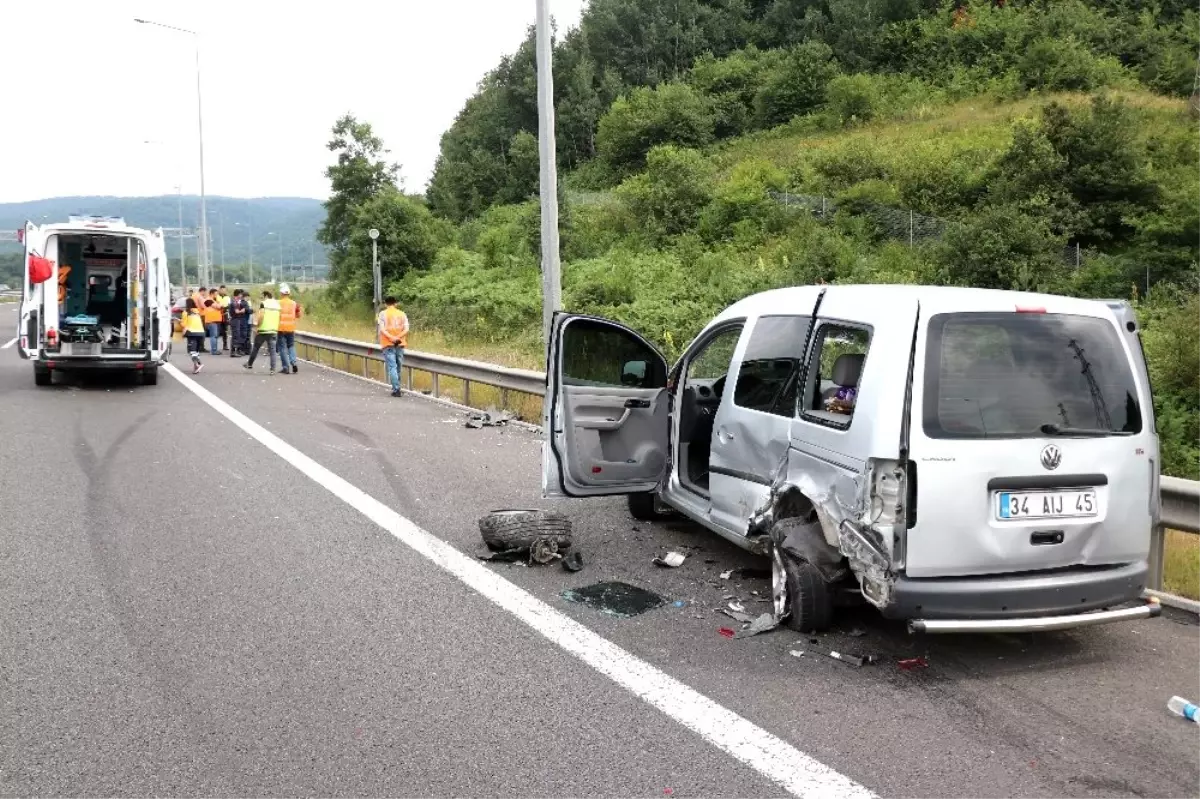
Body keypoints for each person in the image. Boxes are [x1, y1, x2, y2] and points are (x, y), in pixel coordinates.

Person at [377, 296, 409, 397]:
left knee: (392, 367)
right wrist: (397, 337)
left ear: (385, 304)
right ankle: (397, 387)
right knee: (398, 366)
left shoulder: (383, 314)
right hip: (400, 343)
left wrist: (391, 338)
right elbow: (406, 329)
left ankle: (396, 389)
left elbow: (382, 329)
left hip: (388, 343)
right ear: (395, 303)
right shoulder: (402, 314)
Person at [243, 289, 281, 374]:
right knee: (272, 351)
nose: (262, 298)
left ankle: (249, 364)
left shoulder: (264, 304)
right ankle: (272, 369)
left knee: (256, 348)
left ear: (266, 296)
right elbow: (279, 317)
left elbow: (261, 316)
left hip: (263, 330)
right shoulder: (277, 305)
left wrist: (257, 327)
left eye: (263, 297)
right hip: (273, 330)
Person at [276, 283, 303, 374]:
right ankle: (293, 362)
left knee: (282, 348)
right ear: (289, 294)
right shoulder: (294, 304)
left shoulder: (278, 303)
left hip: (281, 328)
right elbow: (299, 315)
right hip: (291, 328)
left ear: (281, 293)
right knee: (291, 346)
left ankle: (286, 367)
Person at [182, 298, 206, 374]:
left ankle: (199, 364)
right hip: (201, 333)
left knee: (192, 351)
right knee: (196, 351)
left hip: (192, 333)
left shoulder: (186, 312)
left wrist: (183, 333)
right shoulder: (197, 311)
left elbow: (184, 324)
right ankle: (196, 368)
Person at [229, 289, 251, 357]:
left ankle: (236, 351)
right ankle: (233, 352)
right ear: (238, 295)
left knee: (237, 335)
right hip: (235, 319)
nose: (241, 296)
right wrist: (242, 310)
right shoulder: (234, 302)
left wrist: (242, 310)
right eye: (241, 294)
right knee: (235, 336)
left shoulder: (235, 302)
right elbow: (237, 312)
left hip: (236, 320)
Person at [202, 291, 223, 355]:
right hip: (211, 321)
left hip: (214, 321)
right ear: (211, 293)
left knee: (215, 336)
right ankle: (214, 350)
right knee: (213, 336)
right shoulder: (208, 300)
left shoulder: (214, 301)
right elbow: (219, 307)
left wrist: (219, 304)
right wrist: (220, 304)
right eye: (216, 294)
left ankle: (215, 350)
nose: (217, 295)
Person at [216, 285, 231, 352]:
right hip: (217, 315)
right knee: (217, 331)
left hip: (225, 315)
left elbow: (229, 305)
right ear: (219, 290)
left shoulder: (227, 297)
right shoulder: (216, 296)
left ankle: (225, 345)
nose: (223, 291)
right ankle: (215, 346)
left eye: (224, 290)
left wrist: (226, 308)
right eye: (222, 290)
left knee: (225, 331)